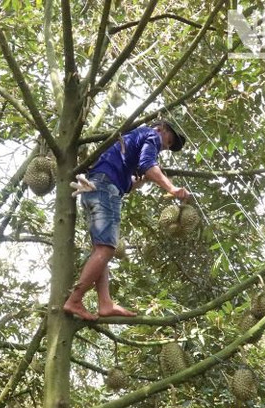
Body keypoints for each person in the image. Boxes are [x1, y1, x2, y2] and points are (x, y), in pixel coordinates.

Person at [63, 120, 192, 320]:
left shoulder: (132, 139)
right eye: (169, 140)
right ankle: (75, 299)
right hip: (103, 189)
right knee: (106, 249)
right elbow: (148, 164)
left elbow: (126, 177)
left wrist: (136, 184)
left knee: (102, 249)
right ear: (161, 129)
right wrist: (172, 188)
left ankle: (105, 303)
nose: (165, 146)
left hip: (95, 188)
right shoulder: (151, 135)